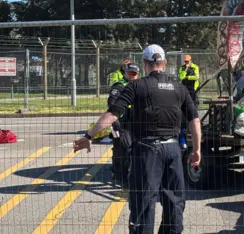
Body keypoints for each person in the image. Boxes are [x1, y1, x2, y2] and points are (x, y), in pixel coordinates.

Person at [73, 44, 201, 234]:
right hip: (173, 150)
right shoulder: (179, 88)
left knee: (143, 200)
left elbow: (112, 114)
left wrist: (88, 136)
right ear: (164, 63)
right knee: (174, 200)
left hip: (147, 150)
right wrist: (197, 150)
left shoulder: (137, 85)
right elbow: (195, 120)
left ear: (145, 63)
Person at [108, 63, 140, 188]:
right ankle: (121, 176)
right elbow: (112, 103)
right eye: (129, 73)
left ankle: (133, 174)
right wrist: (115, 120)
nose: (132, 76)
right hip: (123, 122)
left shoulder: (140, 85)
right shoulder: (119, 86)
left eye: (134, 74)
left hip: (138, 121)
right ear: (125, 73)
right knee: (123, 149)